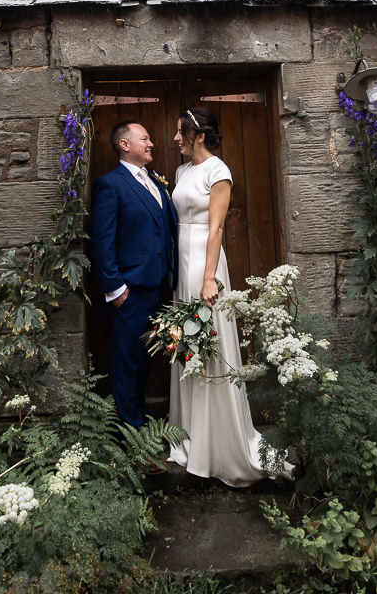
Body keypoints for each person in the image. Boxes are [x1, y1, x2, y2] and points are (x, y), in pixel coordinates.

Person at [167, 107, 288, 486]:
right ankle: (191, 437)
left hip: (206, 262)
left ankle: (221, 444)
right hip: (182, 262)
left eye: (180, 132)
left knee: (210, 341)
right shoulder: (181, 172)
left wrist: (208, 279)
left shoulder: (218, 171)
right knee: (188, 344)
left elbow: (216, 228)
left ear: (198, 135)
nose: (175, 139)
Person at [89, 120, 178, 428]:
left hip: (158, 288)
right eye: (145, 138)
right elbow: (102, 241)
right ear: (125, 145)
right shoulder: (109, 184)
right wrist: (117, 290)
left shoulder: (154, 181)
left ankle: (139, 426)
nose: (151, 143)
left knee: (145, 363)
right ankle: (131, 439)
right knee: (126, 364)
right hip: (129, 293)